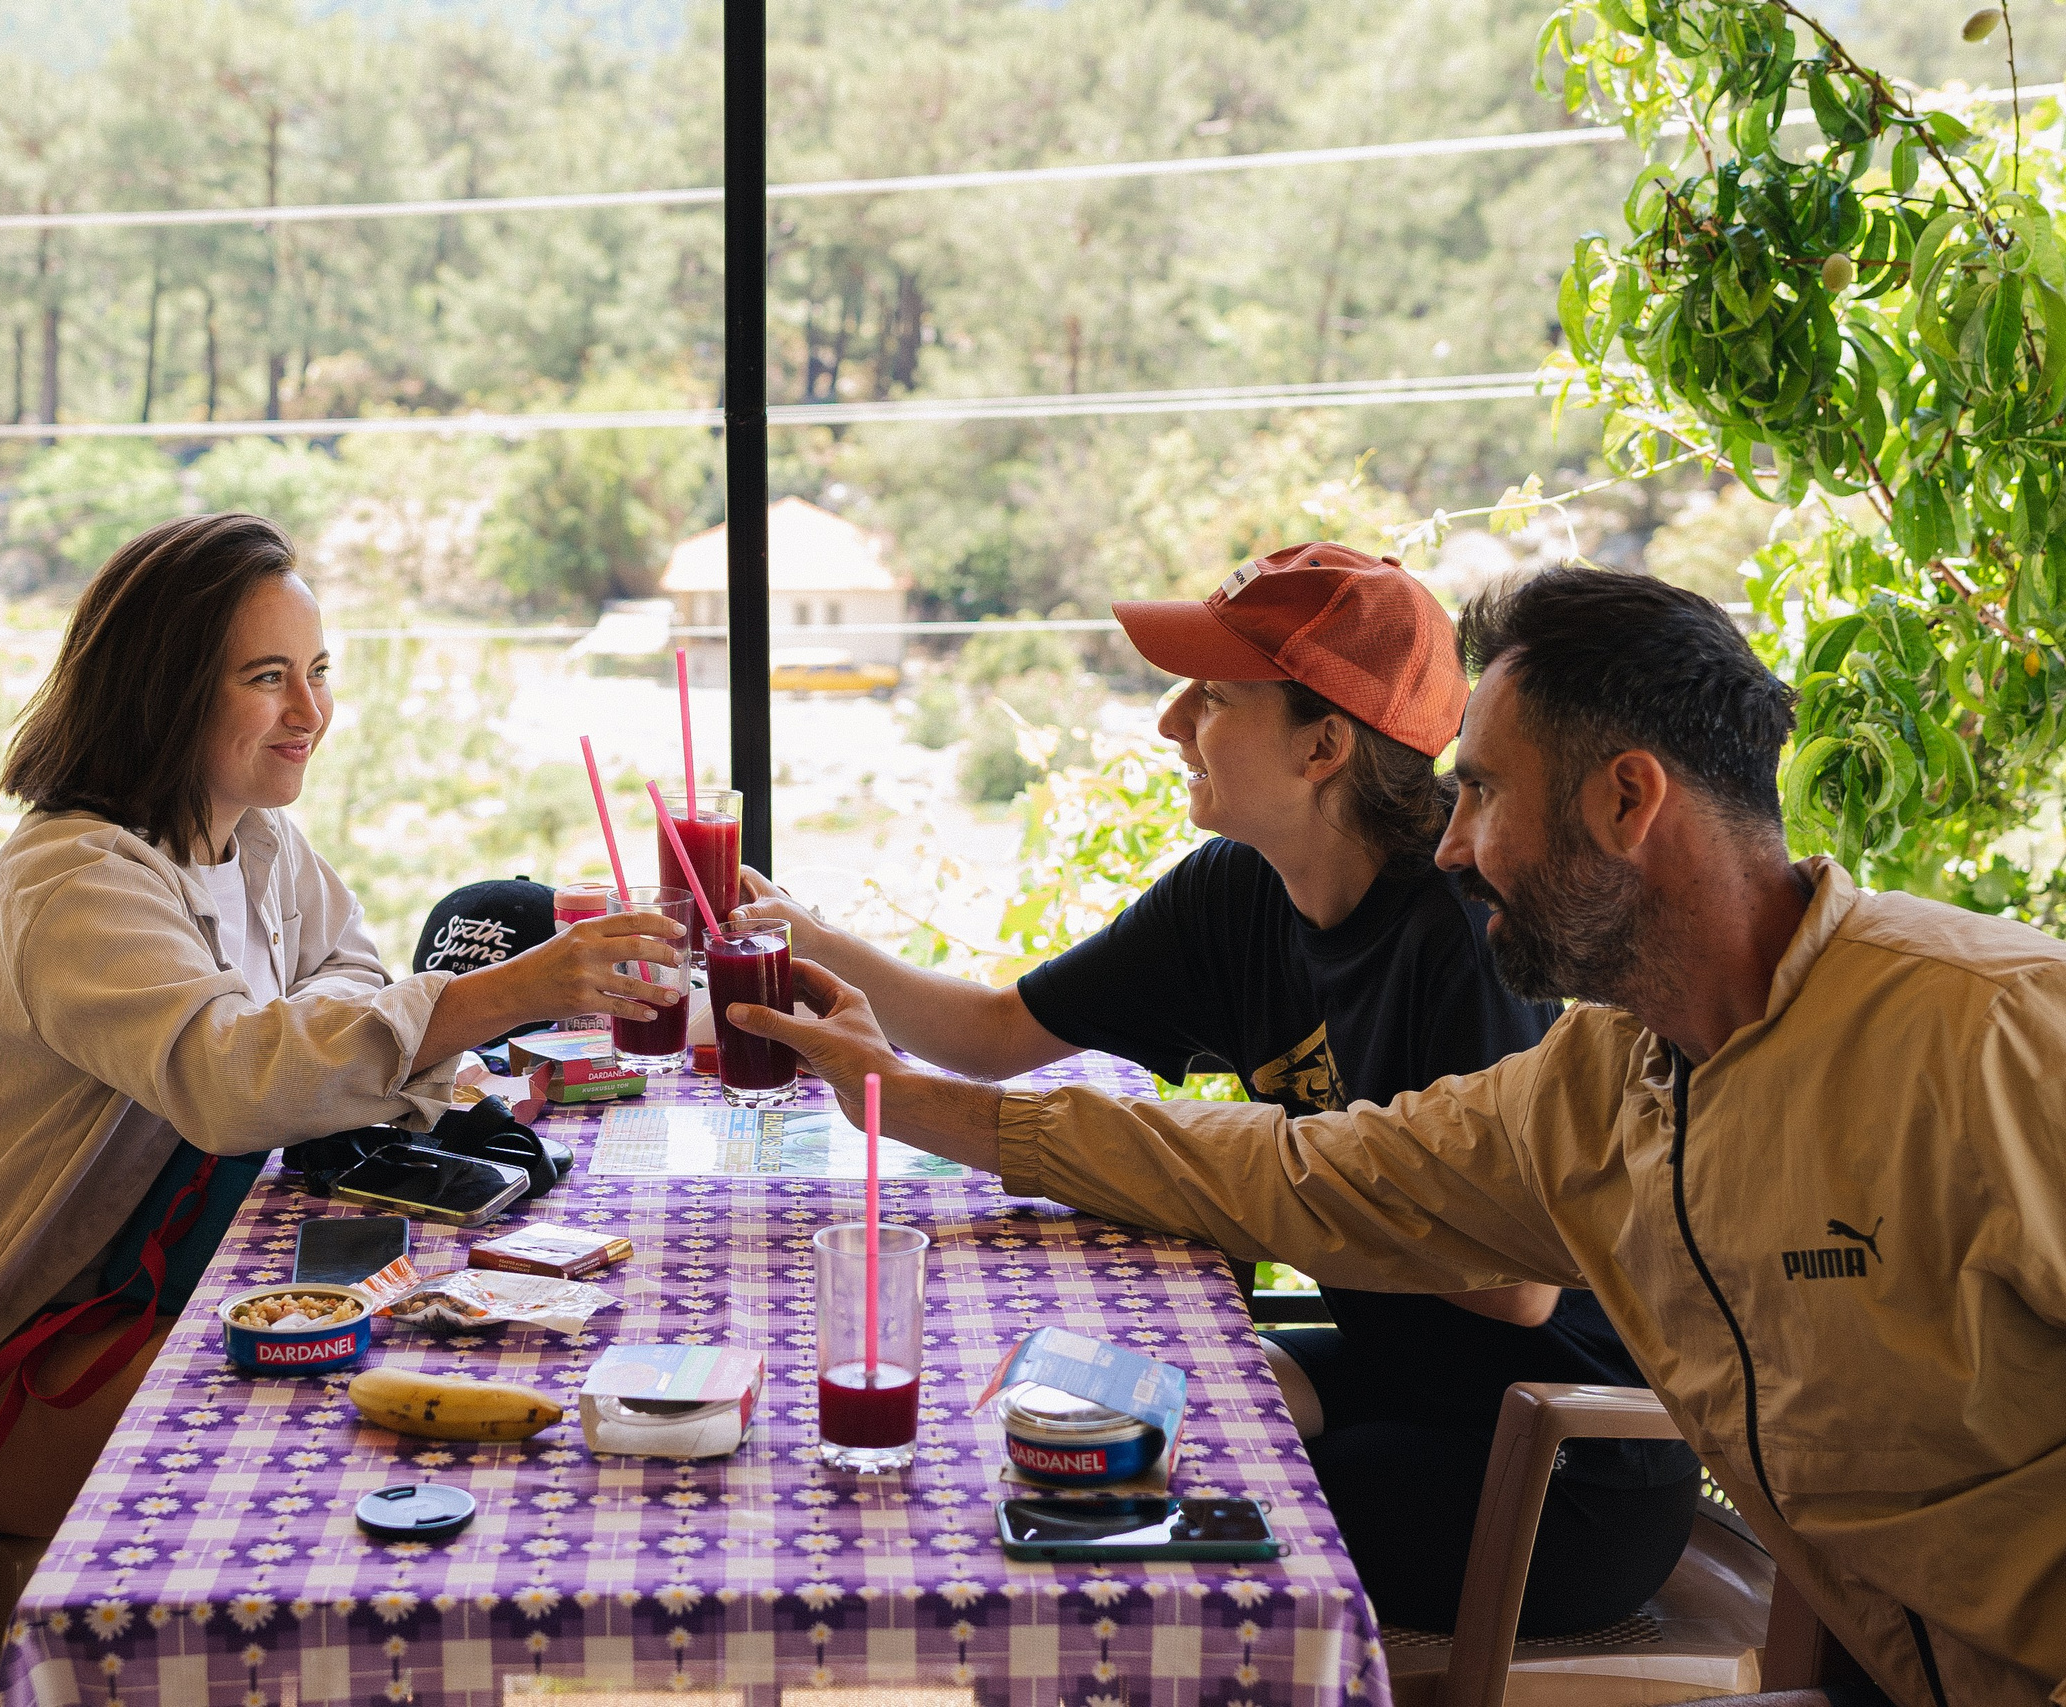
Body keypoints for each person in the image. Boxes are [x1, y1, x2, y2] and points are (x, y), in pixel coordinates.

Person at [740, 567, 2066, 1707]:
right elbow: (1297, 1173)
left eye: (1483, 792)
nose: (1453, 845)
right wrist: (910, 1099)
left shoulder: (1993, 1032)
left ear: (1627, 800)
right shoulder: (1601, 1077)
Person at [739, 541, 1696, 1635]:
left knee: (1077, 1527)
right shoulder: (1237, 890)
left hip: (1559, 1463)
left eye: (1213, 699)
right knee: (1044, 1418)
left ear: (1322, 745)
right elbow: (997, 1034)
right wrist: (798, 934)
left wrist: (1210, 1175)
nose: (1170, 722)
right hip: (1406, 1380)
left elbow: (1504, 1285)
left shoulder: (1459, 933)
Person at [0, 512, 685, 1533]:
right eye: (266, 678)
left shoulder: (252, 839)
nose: (310, 710)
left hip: (109, 1298)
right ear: (163, 696)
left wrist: (287, 1048)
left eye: (319, 670)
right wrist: (510, 990)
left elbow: (345, 969)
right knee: (317, 1447)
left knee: (403, 1346)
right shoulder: (76, 883)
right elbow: (231, 1086)